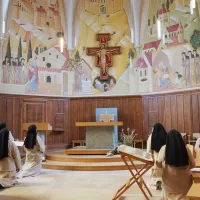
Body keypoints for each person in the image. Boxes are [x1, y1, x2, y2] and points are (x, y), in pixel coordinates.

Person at [156, 129, 195, 200]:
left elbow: (158, 164)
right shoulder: (186, 149)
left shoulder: (164, 148)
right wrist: (186, 168)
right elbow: (193, 164)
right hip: (184, 185)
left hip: (169, 185)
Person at [147, 123, 167, 190]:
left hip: (157, 159)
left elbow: (148, 150)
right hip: (166, 159)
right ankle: (164, 182)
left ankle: (157, 182)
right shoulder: (166, 135)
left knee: (157, 170)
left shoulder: (151, 137)